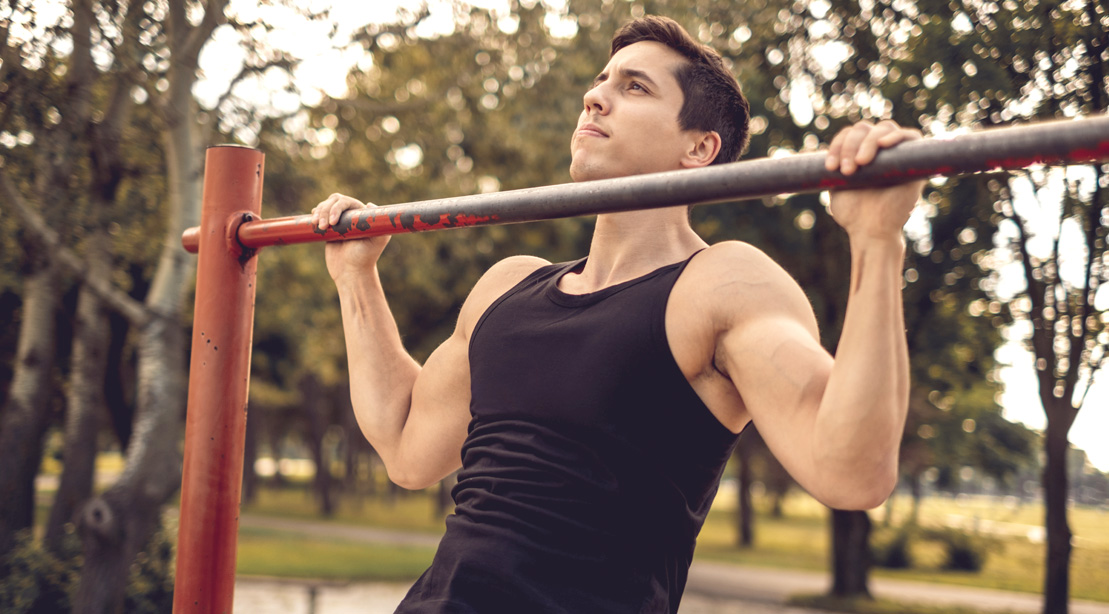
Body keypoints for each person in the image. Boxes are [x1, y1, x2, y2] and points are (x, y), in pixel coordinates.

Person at [311, 15, 921, 614]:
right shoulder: (507, 285)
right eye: (600, 82)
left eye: (634, 87)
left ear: (699, 146)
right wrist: (356, 277)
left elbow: (854, 472)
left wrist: (875, 240)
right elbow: (404, 447)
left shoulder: (722, 285)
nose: (594, 97)